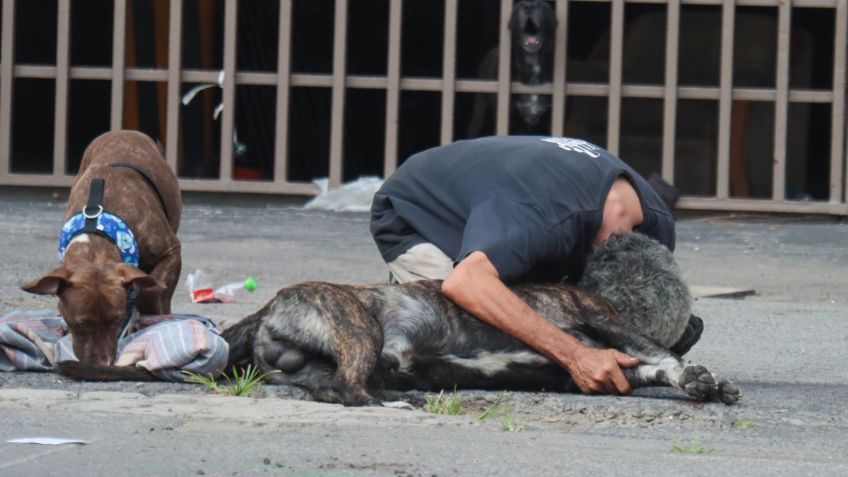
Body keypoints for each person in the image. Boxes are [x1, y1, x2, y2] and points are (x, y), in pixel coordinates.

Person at [370, 135, 702, 396]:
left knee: (538, 316)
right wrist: (575, 355)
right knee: (485, 334)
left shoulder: (656, 227)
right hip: (418, 210)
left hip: (509, 190)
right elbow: (466, 282)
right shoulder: (537, 223)